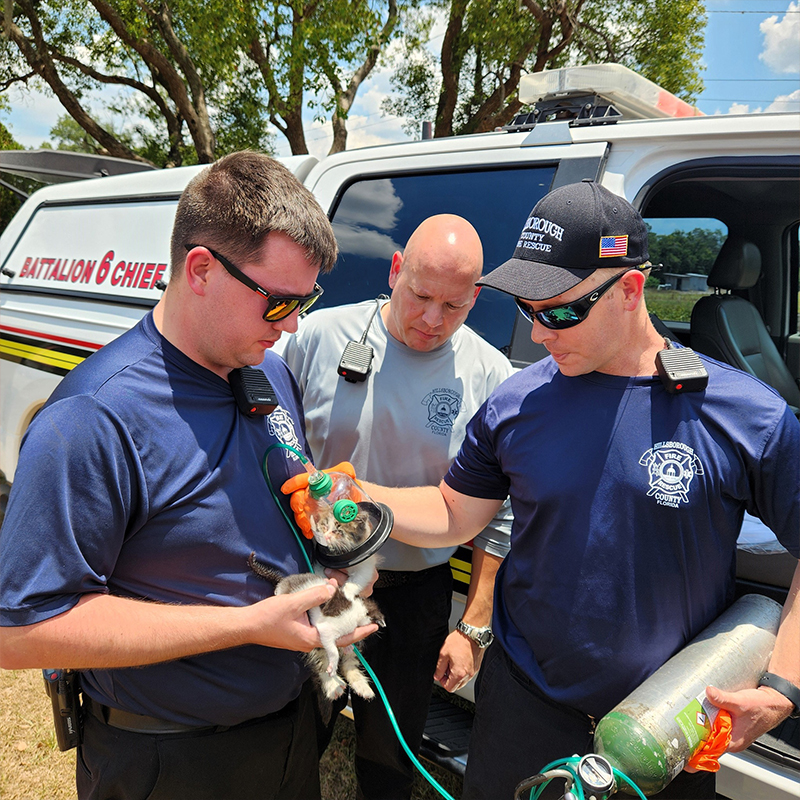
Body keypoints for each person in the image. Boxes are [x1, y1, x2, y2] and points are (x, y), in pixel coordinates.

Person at [283, 180, 800, 800]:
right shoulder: (516, 400)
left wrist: (782, 686)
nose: (538, 333)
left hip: (665, 723)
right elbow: (453, 513)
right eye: (526, 309)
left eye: (558, 310)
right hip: (522, 710)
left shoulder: (744, 415)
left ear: (630, 290)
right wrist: (359, 488)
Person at [0, 151, 379, 800]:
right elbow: (23, 630)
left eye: (306, 300)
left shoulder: (269, 371)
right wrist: (247, 624)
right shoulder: (93, 418)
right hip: (169, 760)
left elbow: (273, 501)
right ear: (200, 270)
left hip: (289, 732)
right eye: (279, 302)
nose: (294, 325)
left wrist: (325, 528)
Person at [279, 214, 515, 800]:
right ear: (394, 272)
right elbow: (277, 452)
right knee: (291, 736)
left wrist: (474, 628)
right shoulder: (318, 338)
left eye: (454, 306)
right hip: (317, 581)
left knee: (390, 753)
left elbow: (499, 518)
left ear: (477, 297)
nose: (433, 320)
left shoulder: (489, 375)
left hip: (415, 590)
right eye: (421, 296)